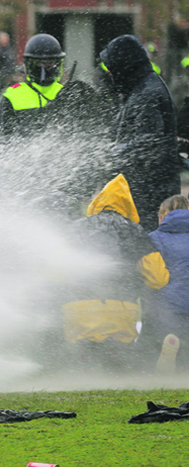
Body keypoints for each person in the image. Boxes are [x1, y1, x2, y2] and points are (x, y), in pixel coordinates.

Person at [53, 174, 156, 368]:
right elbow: (157, 276)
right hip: (122, 310)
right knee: (117, 360)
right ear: (128, 205)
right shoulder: (134, 231)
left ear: (96, 203)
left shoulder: (74, 229)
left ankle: (80, 371)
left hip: (78, 309)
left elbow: (55, 270)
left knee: (80, 360)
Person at [100, 34, 181, 232]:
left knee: (148, 256)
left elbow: (148, 144)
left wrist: (111, 154)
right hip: (144, 194)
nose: (110, 74)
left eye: (113, 70)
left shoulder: (147, 95)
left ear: (125, 68)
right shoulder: (139, 89)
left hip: (150, 199)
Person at [137, 195, 189, 373]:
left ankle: (161, 357)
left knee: (149, 349)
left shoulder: (153, 238)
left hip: (164, 310)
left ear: (162, 217)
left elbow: (151, 275)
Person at [0, 33, 66, 143]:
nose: (44, 68)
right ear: (29, 64)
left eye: (49, 63)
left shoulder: (66, 93)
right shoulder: (13, 95)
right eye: (39, 63)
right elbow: (0, 138)